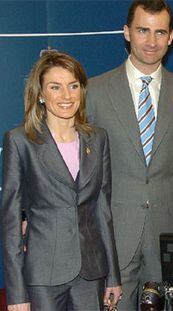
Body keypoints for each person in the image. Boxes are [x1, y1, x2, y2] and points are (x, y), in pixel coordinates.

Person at [86, 0, 173, 309]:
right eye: (142, 30)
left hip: (166, 240)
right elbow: (85, 175)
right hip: (112, 240)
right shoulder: (94, 91)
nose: (151, 41)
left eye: (159, 32)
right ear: (126, 33)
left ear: (171, 36)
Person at [1, 51, 122, 311]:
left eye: (73, 86)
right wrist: (16, 293)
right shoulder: (20, 141)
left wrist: (113, 275)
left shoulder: (98, 139)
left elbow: (103, 211)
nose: (66, 96)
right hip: (44, 275)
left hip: (91, 272)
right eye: (55, 87)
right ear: (41, 94)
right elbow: (11, 221)